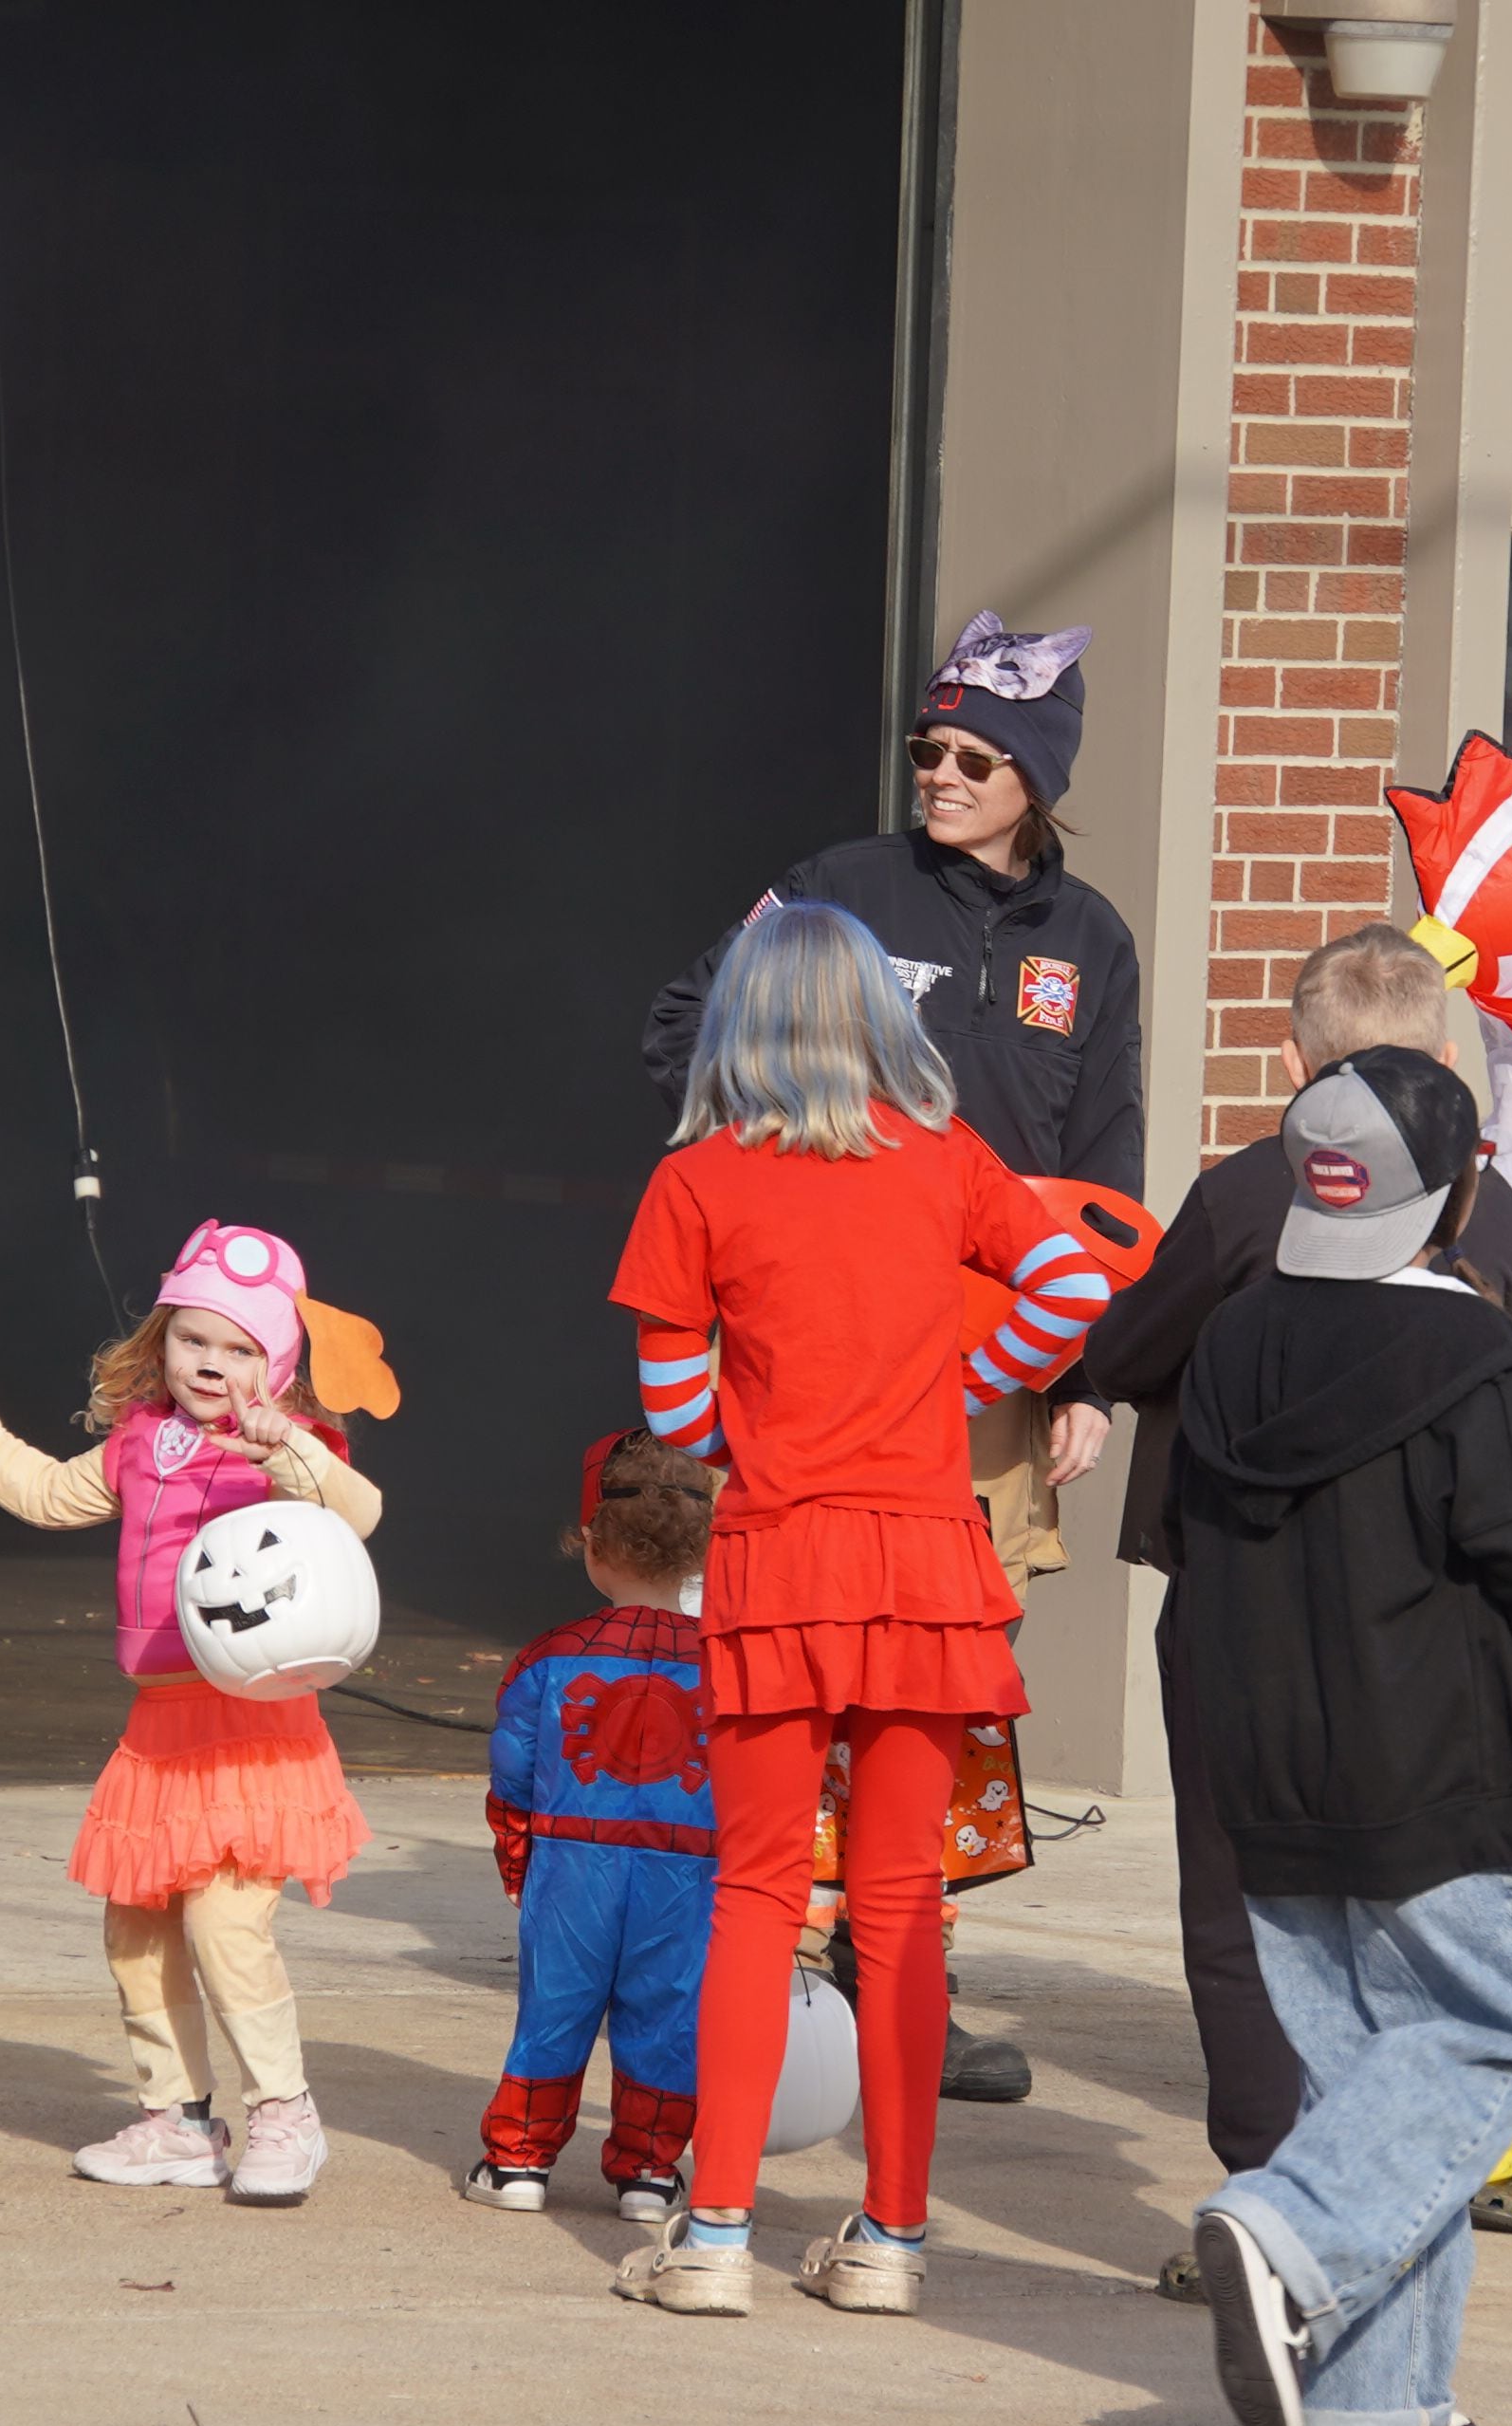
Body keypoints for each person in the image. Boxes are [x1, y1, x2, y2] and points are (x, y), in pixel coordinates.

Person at [642, 608, 1141, 2102]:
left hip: (994, 1364)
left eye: (973, 757)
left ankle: (898, 1972)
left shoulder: (1090, 938)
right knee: (795, 1677)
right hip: (815, 1370)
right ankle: (780, 1974)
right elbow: (684, 1021)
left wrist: (1088, 1372)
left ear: (1034, 780)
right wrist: (772, 1165)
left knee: (945, 1690)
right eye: (926, 748)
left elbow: (1107, 1160)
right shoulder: (837, 892)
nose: (938, 775)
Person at [607, 902, 1108, 2320]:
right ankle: (890, 2241)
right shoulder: (947, 1158)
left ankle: (713, 2239)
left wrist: (764, 1430)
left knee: (757, 1898)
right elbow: (1073, 1280)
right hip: (928, 1567)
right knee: (903, 1910)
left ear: (740, 1023)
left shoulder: (696, 1181)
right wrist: (962, 1386)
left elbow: (674, 1413)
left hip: (779, 1562)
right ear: (887, 1016)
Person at [1168, 1046, 1512, 2426]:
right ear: (1460, 1188)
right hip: (1434, 1766)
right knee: (1498, 2031)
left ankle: (1376, 2400)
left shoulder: (1232, 1338)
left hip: (1268, 1760)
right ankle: (1294, 2220)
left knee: (1372, 2075)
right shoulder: (1468, 1349)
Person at [1077, 922, 1512, 2299]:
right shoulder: (1493, 1216)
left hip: (1240, 1609)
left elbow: (1124, 1344)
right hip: (1426, 1626)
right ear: (1448, 1056)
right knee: (1396, 1909)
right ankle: (1371, 2203)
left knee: (1241, 1904)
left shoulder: (1242, 1197)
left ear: (1294, 1063)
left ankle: (1270, 2191)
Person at [0, 1221, 379, 2207]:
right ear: (160, 1338)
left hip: (253, 1732)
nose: (212, 1363)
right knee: (137, 1930)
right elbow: (43, 1491)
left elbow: (357, 1511)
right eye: (194, 1339)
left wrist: (284, 1439)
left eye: (242, 1347)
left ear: (278, 1359)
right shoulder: (141, 1444)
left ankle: (286, 2111)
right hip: (160, 1728)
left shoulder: (290, 1449)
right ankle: (179, 2118)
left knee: (225, 1922)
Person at [465, 1431, 723, 2222]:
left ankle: (519, 2162)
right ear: (701, 1552)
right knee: (668, 2017)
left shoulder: (549, 1658)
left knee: (553, 2009)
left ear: (593, 1548)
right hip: (689, 1872)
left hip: (574, 1863)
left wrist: (520, 1862)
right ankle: (648, 2171)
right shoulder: (729, 1665)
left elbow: (512, 1773)